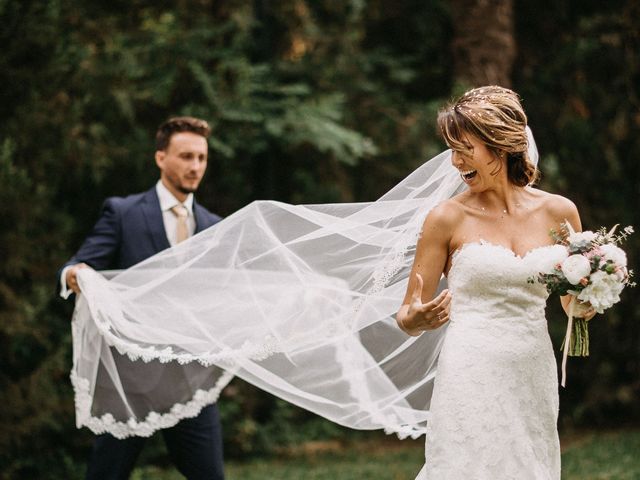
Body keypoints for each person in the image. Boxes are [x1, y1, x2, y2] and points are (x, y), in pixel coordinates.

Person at [396, 86, 595, 479]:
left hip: (531, 363)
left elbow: (571, 301)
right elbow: (406, 314)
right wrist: (417, 318)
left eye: (464, 149)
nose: (455, 162)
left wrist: (588, 302)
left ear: (500, 145)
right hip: (471, 365)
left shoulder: (559, 211)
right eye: (452, 150)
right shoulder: (445, 219)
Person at [59, 116, 225, 480]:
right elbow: (78, 266)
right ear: (160, 158)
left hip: (191, 383)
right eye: (185, 156)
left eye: (201, 157)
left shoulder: (214, 226)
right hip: (129, 383)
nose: (195, 166)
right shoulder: (122, 213)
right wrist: (75, 276)